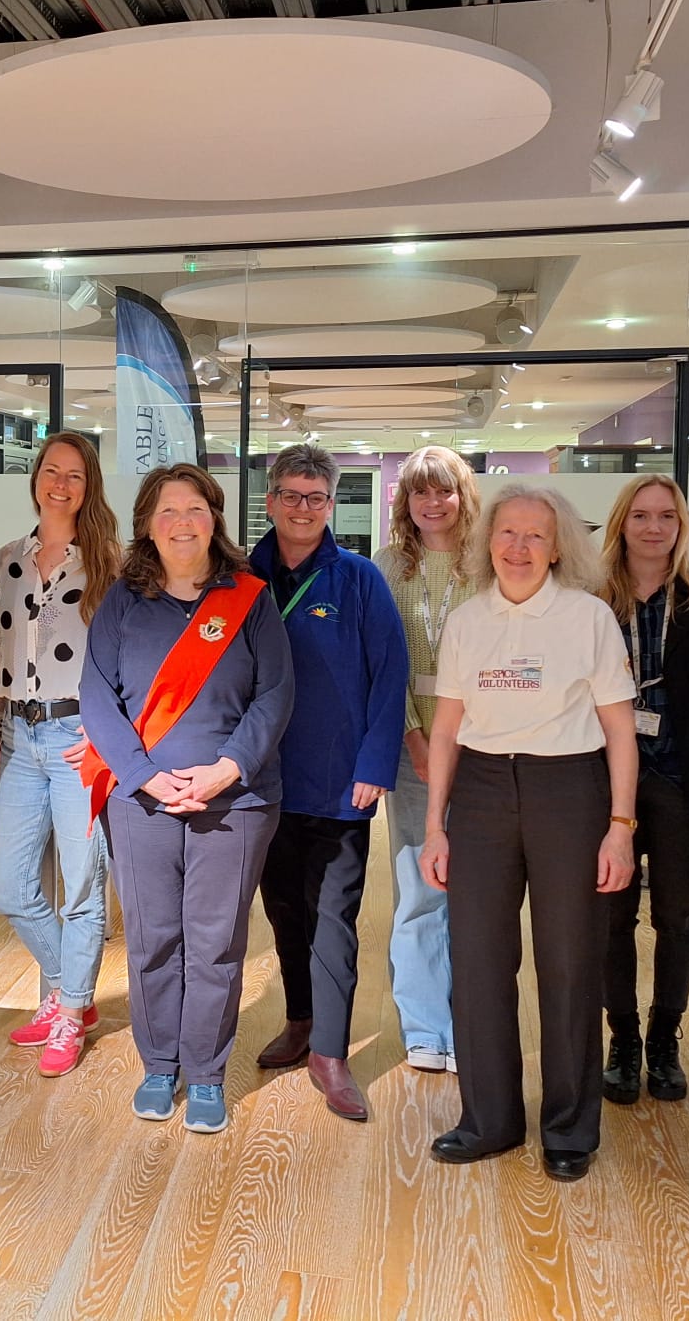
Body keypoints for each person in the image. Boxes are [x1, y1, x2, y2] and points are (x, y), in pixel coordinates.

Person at [418, 483, 637, 1183]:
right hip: (480, 794)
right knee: (479, 961)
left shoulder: (589, 617)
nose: (518, 547)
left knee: (570, 961)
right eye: (506, 533)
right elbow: (447, 728)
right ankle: (489, 1118)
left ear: (557, 547)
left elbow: (620, 732)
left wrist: (621, 827)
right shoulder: (468, 620)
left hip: (568, 789)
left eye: (534, 535)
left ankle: (570, 1126)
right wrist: (435, 827)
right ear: (487, 542)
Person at [80, 463, 294, 1135]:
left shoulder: (250, 598)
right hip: (140, 799)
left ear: (215, 518)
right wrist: (143, 775)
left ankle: (204, 1072)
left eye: (194, 509)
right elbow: (96, 696)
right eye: (167, 511)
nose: (181, 523)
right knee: (150, 938)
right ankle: (158, 1063)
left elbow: (275, 693)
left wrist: (227, 768)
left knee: (215, 941)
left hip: (235, 798)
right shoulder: (121, 600)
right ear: (146, 522)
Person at [250, 445, 408, 1121]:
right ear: (270, 500)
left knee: (333, 921)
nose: (304, 508)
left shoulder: (359, 580)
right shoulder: (239, 577)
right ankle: (301, 1021)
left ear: (332, 503)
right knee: (284, 910)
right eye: (292, 494)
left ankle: (332, 1054)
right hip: (260, 781)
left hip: (341, 783)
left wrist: (375, 765)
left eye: (317, 497)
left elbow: (391, 674)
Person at [595, 476, 689, 1106]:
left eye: (666, 516)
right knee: (611, 915)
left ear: (681, 524)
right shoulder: (591, 593)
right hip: (608, 779)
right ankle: (623, 1041)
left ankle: (664, 1038)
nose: (654, 528)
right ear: (620, 522)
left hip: (684, 777)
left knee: (678, 916)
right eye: (641, 516)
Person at [0, 432, 120, 1078]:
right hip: (21, 741)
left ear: (89, 487)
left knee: (83, 890)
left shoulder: (110, 563)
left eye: (75, 476)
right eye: (51, 472)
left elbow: (129, 660)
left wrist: (111, 738)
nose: (60, 484)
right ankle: (73, 993)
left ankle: (66, 1012)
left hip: (79, 741)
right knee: (10, 888)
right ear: (35, 478)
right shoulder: (7, 558)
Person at [373, 445, 479, 1076]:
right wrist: (414, 736)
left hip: (485, 749)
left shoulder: (491, 560)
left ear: (463, 496)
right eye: (419, 492)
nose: (432, 504)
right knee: (419, 889)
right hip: (412, 748)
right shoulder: (387, 566)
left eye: (443, 491)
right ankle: (423, 1026)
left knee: (478, 894)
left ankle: (473, 1023)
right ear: (404, 502)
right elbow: (383, 666)